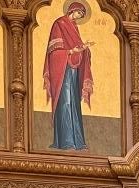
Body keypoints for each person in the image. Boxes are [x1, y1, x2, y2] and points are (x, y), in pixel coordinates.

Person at [43, 1, 93, 151]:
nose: (79, 16)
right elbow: (54, 51)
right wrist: (71, 52)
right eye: (79, 13)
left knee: (74, 104)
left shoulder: (74, 27)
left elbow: (77, 47)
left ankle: (77, 141)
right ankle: (66, 141)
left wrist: (84, 49)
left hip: (73, 71)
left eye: (82, 15)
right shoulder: (59, 24)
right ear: (72, 10)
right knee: (65, 102)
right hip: (62, 71)